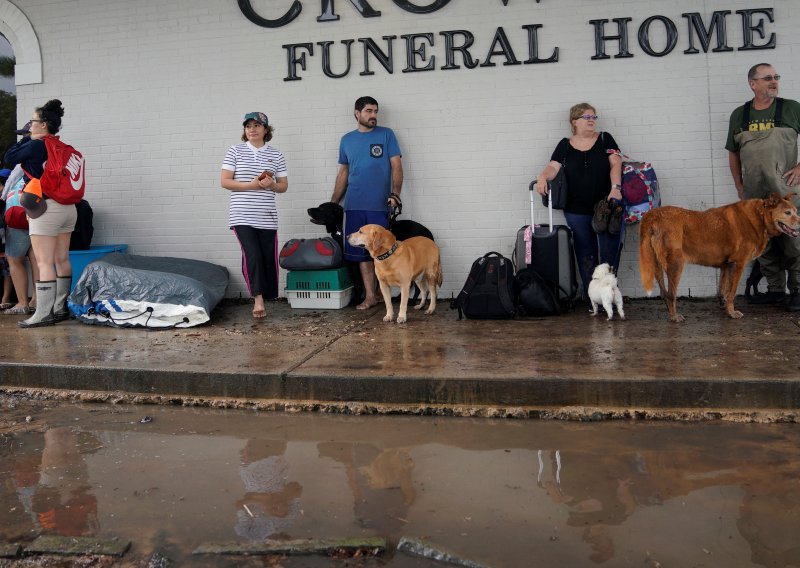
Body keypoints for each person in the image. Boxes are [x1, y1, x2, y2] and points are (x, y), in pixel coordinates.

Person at [726, 63, 800, 311]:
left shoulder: (791, 108)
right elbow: (733, 153)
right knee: (762, 243)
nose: (774, 82)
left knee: (794, 243)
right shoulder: (740, 115)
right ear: (753, 83)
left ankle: (798, 290)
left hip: (787, 193)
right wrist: (739, 186)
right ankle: (776, 290)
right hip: (755, 197)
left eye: (776, 77)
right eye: (768, 78)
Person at [536, 103, 623, 300]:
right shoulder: (564, 145)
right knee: (586, 253)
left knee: (609, 251)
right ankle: (592, 298)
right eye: (587, 117)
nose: (591, 120)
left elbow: (616, 163)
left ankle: (609, 294)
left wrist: (615, 189)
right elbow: (553, 167)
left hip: (606, 206)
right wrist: (542, 177)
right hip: (576, 208)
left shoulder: (604, 138)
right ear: (574, 121)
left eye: (594, 117)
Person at [4, 101, 73, 328]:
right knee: (61, 259)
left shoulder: (36, 145)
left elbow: (8, 157)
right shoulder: (61, 146)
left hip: (45, 208)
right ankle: (60, 308)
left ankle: (43, 314)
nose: (30, 125)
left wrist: (27, 138)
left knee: (43, 262)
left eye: (32, 121)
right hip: (68, 209)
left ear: (43, 124)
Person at [330, 96, 403, 310]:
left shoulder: (387, 135)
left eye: (375, 111)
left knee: (381, 250)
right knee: (362, 253)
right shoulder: (347, 140)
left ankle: (384, 294)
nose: (373, 115)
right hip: (354, 204)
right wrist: (335, 202)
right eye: (369, 111)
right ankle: (371, 296)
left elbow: (396, 167)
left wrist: (396, 193)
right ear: (357, 113)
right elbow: (343, 172)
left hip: (379, 204)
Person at [220, 112, 288, 319]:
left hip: (267, 216)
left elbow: (283, 186)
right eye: (248, 126)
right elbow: (225, 181)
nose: (252, 129)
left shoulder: (276, 155)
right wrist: (250, 185)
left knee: (267, 257)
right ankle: (258, 300)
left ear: (266, 130)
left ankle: (266, 296)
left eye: (257, 125)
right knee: (253, 255)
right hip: (241, 215)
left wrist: (272, 185)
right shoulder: (235, 151)